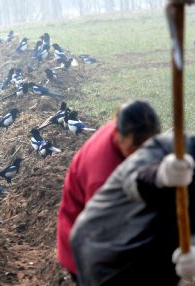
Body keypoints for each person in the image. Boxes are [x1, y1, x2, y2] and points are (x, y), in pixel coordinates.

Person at [70, 109, 195, 286]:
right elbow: (130, 179)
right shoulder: (166, 149)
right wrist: (160, 175)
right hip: (107, 250)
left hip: (157, 263)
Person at [56, 100, 161, 282]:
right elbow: (105, 233)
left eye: (146, 149)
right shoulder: (102, 176)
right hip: (87, 251)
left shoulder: (128, 125)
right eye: (133, 150)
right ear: (119, 135)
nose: (140, 157)